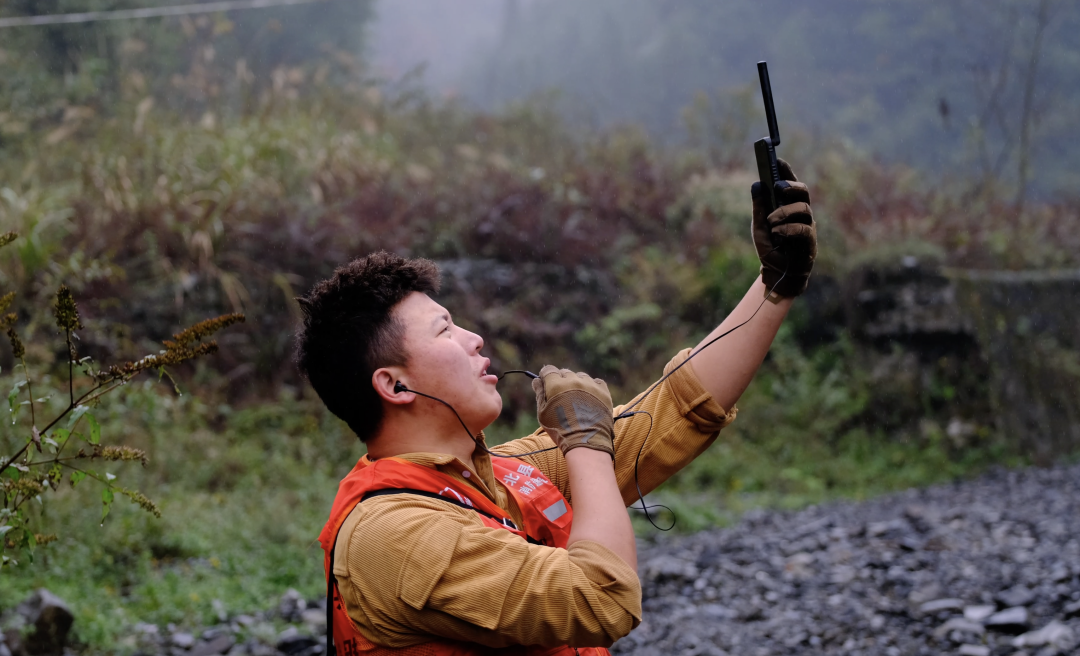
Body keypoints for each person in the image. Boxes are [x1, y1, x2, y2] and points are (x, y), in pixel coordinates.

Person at [297, 160, 817, 655]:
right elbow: (602, 599)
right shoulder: (394, 533)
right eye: (445, 330)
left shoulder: (501, 477)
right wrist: (587, 443)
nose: (475, 338)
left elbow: (674, 411)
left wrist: (775, 285)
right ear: (396, 385)